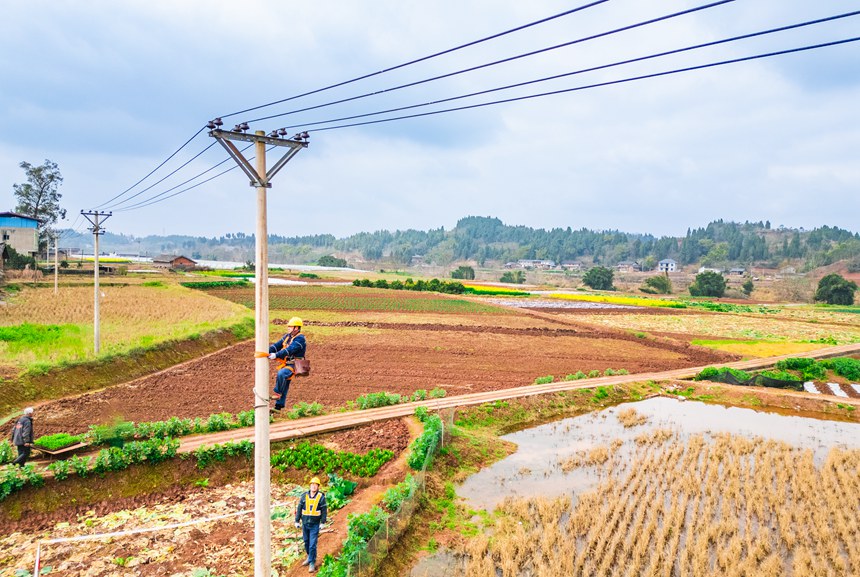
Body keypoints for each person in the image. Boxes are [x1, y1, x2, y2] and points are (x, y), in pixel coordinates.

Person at [268, 316, 307, 412]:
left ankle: (277, 394)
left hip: (296, 364)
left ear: (296, 328)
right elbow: (276, 345)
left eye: (290, 326)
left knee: (282, 374)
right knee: (284, 382)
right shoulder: (287, 336)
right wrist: (266, 350)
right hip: (288, 363)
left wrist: (275, 355)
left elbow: (289, 350)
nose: (288, 328)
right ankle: (278, 407)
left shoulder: (300, 339)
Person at [295, 476, 327, 572]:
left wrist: (323, 522)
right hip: (305, 524)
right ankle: (309, 557)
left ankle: (312, 562)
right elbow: (299, 509)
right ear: (310, 486)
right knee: (306, 542)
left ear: (318, 487)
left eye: (315, 485)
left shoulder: (321, 498)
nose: (313, 486)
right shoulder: (304, 496)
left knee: (312, 544)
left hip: (315, 525)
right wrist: (297, 521)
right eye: (312, 484)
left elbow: (324, 511)